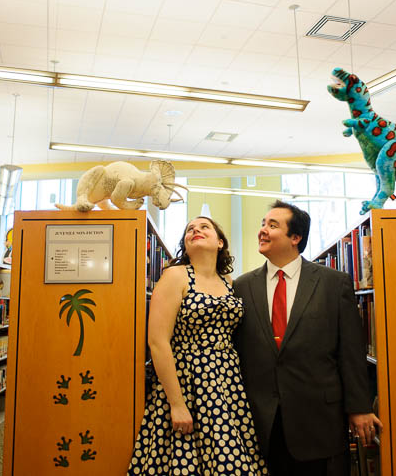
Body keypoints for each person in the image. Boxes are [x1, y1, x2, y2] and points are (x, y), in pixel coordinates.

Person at [233, 200, 382, 476]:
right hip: (259, 421)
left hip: (318, 420)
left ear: (295, 237)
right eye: (263, 224)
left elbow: (350, 351)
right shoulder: (242, 286)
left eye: (273, 225)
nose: (263, 230)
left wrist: (359, 407)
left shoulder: (333, 283)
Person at [128, 216, 267, 475]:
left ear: (220, 242)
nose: (196, 230)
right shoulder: (175, 276)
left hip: (227, 384)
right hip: (186, 381)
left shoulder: (231, 283)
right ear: (185, 242)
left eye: (205, 227)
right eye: (190, 229)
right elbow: (158, 342)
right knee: (184, 459)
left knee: (230, 459)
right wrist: (177, 403)